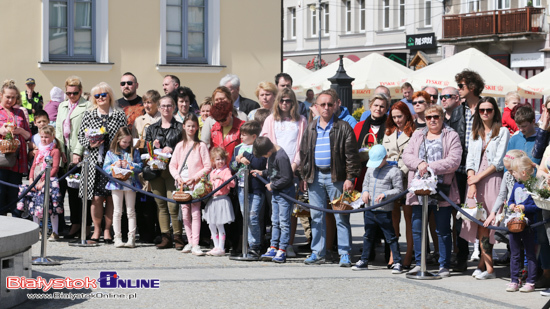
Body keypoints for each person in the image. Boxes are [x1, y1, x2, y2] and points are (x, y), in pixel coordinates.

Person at [299, 90, 361, 266]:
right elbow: (304, 153)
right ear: (316, 106)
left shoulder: (343, 127)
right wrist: (304, 176)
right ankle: (317, 252)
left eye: (329, 104)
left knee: (341, 216)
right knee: (316, 216)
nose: (326, 108)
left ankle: (344, 253)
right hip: (315, 176)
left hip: (337, 177)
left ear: (336, 105)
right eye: (322, 104)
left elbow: (352, 156)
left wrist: (350, 177)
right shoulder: (310, 127)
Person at [402, 105, 462, 277]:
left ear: (442, 117)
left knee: (442, 229)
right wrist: (419, 164)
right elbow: (407, 156)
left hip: (442, 189)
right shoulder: (417, 134)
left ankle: (444, 264)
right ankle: (420, 262)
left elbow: (454, 160)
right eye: (428, 117)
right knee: (417, 227)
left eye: (436, 116)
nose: (432, 120)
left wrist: (430, 167)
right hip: (419, 189)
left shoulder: (451, 135)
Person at [462, 97, 509, 280]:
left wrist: (477, 178)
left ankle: (489, 269)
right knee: (479, 223)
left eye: (489, 110)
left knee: (489, 225)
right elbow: (470, 160)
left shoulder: (503, 131)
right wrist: (472, 182)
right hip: (476, 180)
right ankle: (484, 265)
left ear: (495, 111)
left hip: (492, 179)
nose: (485, 113)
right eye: (482, 110)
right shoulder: (475, 132)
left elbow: (498, 162)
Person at [77, 82, 128, 243]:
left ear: (110, 96)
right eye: (96, 96)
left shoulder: (119, 115)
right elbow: (80, 136)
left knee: (112, 197)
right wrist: (90, 143)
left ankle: (108, 231)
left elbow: (124, 136)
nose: (100, 98)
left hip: (113, 162)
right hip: (94, 162)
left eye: (103, 95)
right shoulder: (89, 114)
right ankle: (96, 231)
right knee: (96, 198)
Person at [260, 87, 307, 256]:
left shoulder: (300, 120)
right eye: (282, 100)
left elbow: (302, 146)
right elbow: (266, 144)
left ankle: (287, 245)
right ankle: (274, 246)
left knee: (289, 212)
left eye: (288, 100)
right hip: (274, 170)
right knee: (276, 213)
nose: (285, 103)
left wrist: (294, 166)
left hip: (293, 170)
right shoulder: (271, 119)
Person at [448, 69, 486, 272]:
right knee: (460, 213)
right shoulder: (457, 110)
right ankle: (461, 256)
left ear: (472, 86)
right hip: (460, 169)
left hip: (482, 168)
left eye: (461, 86)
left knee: (482, 212)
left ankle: (483, 256)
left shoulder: (486, 107)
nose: (458, 90)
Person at [353, 145, 403, 273]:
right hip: (370, 208)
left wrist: (386, 194)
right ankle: (364, 260)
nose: (376, 165)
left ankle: (397, 261)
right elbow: (365, 184)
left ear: (385, 157)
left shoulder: (394, 171)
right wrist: (364, 192)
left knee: (390, 237)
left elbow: (399, 189)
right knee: (368, 236)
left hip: (384, 210)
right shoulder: (370, 169)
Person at [169, 113, 211, 256]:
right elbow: (172, 165)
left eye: (193, 126)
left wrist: (195, 177)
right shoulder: (179, 145)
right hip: (182, 184)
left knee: (195, 213)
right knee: (185, 214)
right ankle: (190, 240)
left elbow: (207, 166)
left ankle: (196, 243)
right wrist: (177, 177)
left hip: (195, 184)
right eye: (188, 126)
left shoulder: (201, 146)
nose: (191, 128)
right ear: (184, 127)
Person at [145, 96, 183, 250]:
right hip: (155, 169)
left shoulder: (180, 128)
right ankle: (165, 236)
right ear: (159, 108)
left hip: (172, 170)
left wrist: (172, 149)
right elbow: (145, 150)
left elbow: (186, 147)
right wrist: (153, 148)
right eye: (163, 106)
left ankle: (178, 237)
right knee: (160, 205)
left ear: (173, 107)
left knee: (173, 204)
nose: (166, 109)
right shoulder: (151, 128)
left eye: (169, 105)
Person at [56, 76, 91, 238]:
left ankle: (78, 224)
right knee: (61, 190)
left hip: (80, 154)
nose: (71, 96)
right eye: (68, 93)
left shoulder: (87, 106)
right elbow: (58, 129)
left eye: (75, 93)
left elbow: (86, 131)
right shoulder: (62, 106)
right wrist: (61, 149)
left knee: (76, 192)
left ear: (80, 91)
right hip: (63, 154)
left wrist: (77, 151)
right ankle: (60, 224)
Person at [382, 101, 415, 268]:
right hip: (391, 179)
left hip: (407, 177)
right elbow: (384, 154)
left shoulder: (414, 132)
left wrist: (399, 169)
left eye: (400, 116)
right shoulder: (389, 132)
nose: (397, 120)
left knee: (409, 218)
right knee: (393, 217)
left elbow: (412, 156)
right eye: (394, 117)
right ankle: (394, 254)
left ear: (406, 115)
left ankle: (409, 253)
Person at [252, 136, 295, 263]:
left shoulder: (281, 156)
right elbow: (274, 171)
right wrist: (262, 173)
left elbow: (287, 177)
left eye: (265, 155)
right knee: (274, 221)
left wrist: (272, 185)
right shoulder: (272, 154)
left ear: (269, 151)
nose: (266, 157)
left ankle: (282, 249)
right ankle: (273, 247)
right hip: (276, 193)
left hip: (284, 193)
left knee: (284, 222)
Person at [229, 120, 267, 258]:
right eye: (241, 134)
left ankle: (255, 246)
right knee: (246, 217)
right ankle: (247, 245)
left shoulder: (259, 148)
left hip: (256, 187)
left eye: (245, 135)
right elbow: (232, 167)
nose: (242, 137)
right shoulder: (238, 148)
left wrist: (246, 156)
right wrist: (237, 161)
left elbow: (260, 163)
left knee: (253, 216)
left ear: (254, 136)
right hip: (241, 187)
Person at [103, 127, 142, 248]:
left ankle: (131, 238)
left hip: (130, 183)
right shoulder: (111, 152)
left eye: (129, 142)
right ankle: (117, 238)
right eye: (124, 142)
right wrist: (115, 165)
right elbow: (105, 168)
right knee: (117, 211)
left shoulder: (134, 151)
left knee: (131, 211)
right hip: (116, 184)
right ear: (118, 140)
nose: (126, 144)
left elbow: (140, 166)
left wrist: (129, 165)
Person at [131, 89, 161, 243]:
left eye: (150, 102)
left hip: (159, 163)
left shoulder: (162, 119)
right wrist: (144, 145)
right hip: (143, 162)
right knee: (144, 200)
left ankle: (160, 232)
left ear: (157, 103)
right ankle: (146, 233)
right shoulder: (139, 120)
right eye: (145, 102)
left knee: (158, 199)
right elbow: (134, 141)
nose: (147, 105)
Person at [506, 156, 540, 292]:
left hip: (529, 224)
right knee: (514, 253)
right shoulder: (516, 185)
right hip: (515, 222)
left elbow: (537, 206)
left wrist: (525, 208)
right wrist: (512, 205)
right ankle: (514, 280)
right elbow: (510, 200)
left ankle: (530, 281)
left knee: (530, 253)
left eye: (514, 171)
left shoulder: (534, 185)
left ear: (523, 173)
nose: (512, 174)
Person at [0, 80, 31, 216]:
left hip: (18, 160)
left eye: (13, 97)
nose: (10, 100)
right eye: (8, 96)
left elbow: (28, 135)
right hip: (1, 160)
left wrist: (20, 131)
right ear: (1, 95)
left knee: (16, 195)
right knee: (0, 194)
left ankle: (16, 226)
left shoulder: (20, 112)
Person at [28, 125, 62, 240]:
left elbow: (55, 168)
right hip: (37, 182)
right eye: (42, 137)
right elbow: (33, 166)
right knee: (36, 208)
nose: (43, 139)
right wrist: (31, 180)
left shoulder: (54, 151)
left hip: (49, 182)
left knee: (51, 207)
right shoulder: (38, 151)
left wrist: (44, 181)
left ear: (52, 137)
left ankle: (55, 232)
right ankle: (37, 231)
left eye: (46, 137)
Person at [203, 147, 235, 256]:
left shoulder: (226, 171)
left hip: (222, 199)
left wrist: (221, 178)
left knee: (220, 224)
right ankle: (215, 246)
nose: (220, 161)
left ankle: (221, 247)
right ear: (213, 161)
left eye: (222, 159)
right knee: (211, 224)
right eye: (217, 159)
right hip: (213, 200)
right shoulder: (212, 172)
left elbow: (232, 184)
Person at [354, 93, 389, 189]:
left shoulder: (390, 127)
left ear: (386, 110)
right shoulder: (359, 126)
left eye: (382, 106)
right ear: (370, 106)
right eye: (376, 105)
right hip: (362, 172)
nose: (378, 109)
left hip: (382, 173)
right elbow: (352, 149)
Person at [209, 87, 245, 163]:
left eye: (223, 119)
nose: (221, 123)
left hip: (235, 169)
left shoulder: (242, 127)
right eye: (218, 120)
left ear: (230, 114)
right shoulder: (214, 128)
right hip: (219, 169)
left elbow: (245, 149)